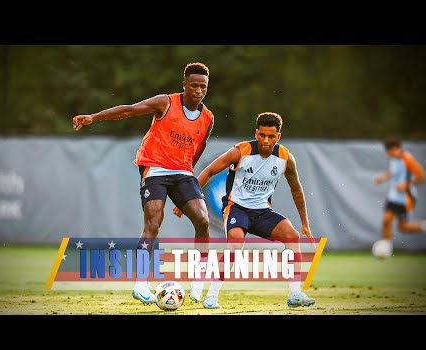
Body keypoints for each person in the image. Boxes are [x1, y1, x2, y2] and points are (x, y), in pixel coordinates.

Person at [72, 62, 214, 305]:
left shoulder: (208, 118)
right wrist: (93, 118)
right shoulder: (165, 103)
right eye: (194, 86)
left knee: (202, 220)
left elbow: (197, 148)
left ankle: (198, 280)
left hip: (182, 172)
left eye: (203, 87)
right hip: (155, 167)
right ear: (184, 85)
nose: (198, 91)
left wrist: (188, 175)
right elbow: (129, 109)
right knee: (153, 223)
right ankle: (140, 285)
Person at [174, 112, 316, 309]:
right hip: (236, 208)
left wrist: (304, 222)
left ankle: (295, 293)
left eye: (271, 136)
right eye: (262, 135)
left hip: (262, 211)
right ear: (256, 133)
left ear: (278, 137)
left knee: (292, 235)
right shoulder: (241, 151)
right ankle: (212, 296)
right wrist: (187, 201)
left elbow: (296, 189)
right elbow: (209, 172)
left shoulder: (285, 158)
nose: (266, 141)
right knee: (235, 246)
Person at [373, 136, 426, 255]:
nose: (388, 154)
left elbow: (422, 176)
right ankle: (386, 252)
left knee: (403, 228)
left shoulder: (408, 159)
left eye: (389, 151)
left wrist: (406, 185)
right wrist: (383, 178)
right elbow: (393, 172)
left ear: (397, 148)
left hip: (406, 198)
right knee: (386, 220)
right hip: (393, 196)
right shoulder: (393, 159)